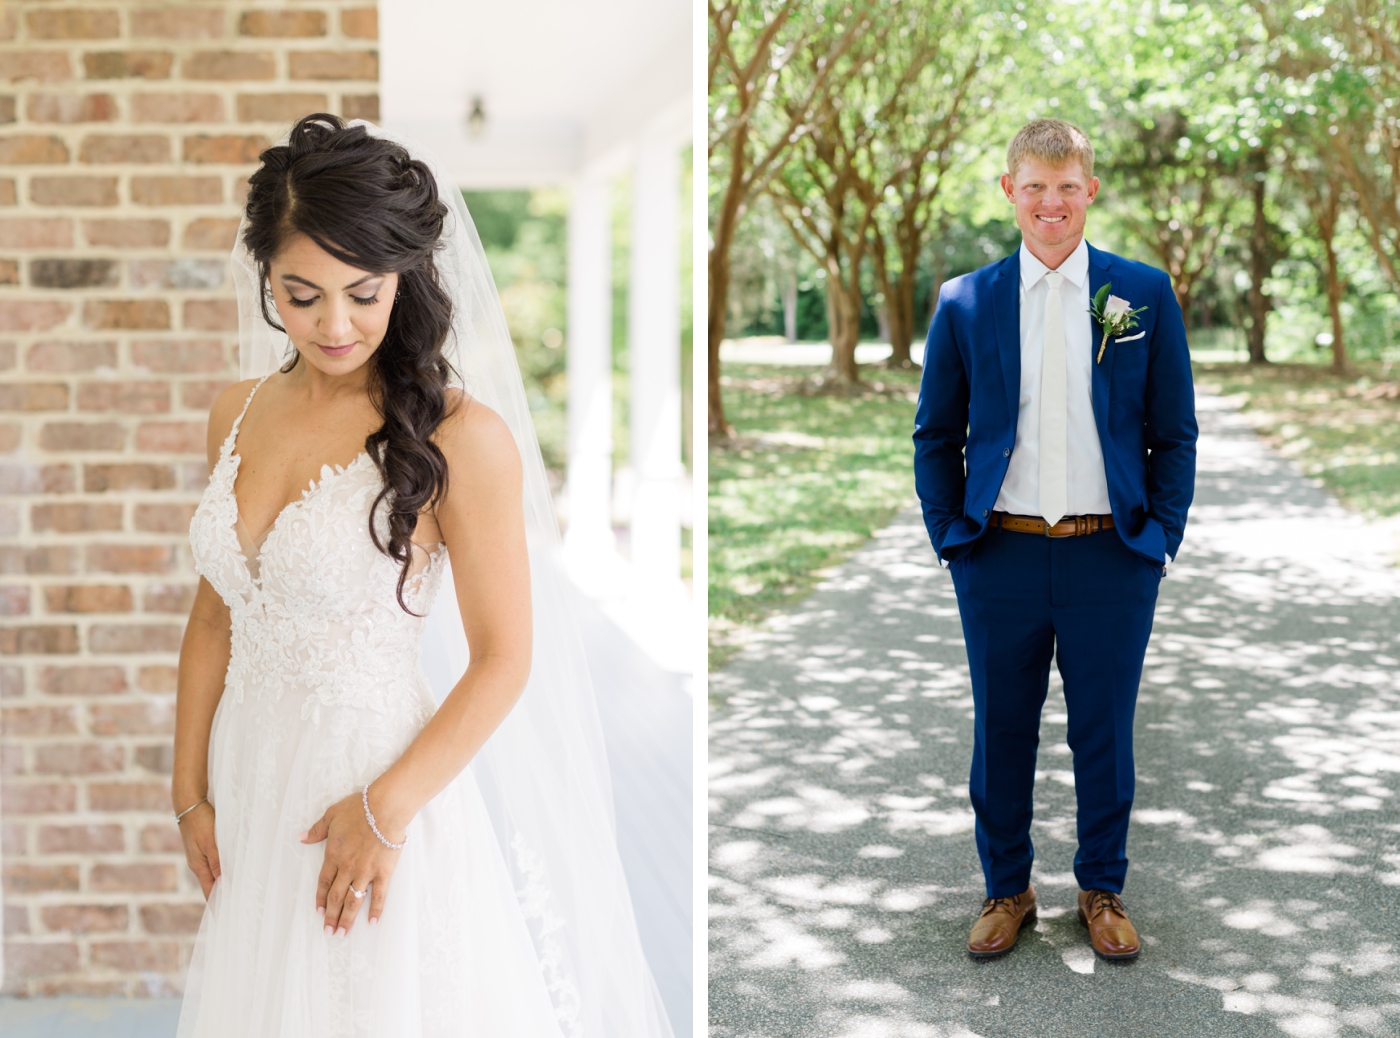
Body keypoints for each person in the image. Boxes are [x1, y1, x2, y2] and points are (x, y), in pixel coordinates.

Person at [173, 115, 672, 1035]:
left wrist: (385, 810)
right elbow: (216, 615)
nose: (335, 324)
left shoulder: (458, 437)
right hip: (250, 778)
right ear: (266, 281)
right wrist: (190, 791)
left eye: (364, 294)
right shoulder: (234, 411)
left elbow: (503, 658)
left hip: (369, 786)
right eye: (301, 293)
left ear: (404, 277)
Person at [912, 119, 1197, 961]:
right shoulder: (966, 300)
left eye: (1067, 186)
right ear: (1009, 191)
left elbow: (1173, 431)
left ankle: (1102, 891)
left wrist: (1162, 536)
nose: (1051, 203)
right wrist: (951, 542)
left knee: (1104, 731)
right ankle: (1008, 889)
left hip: (1112, 553)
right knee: (1001, 731)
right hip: (997, 552)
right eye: (1034, 186)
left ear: (1091, 192)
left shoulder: (1141, 293)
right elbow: (937, 434)